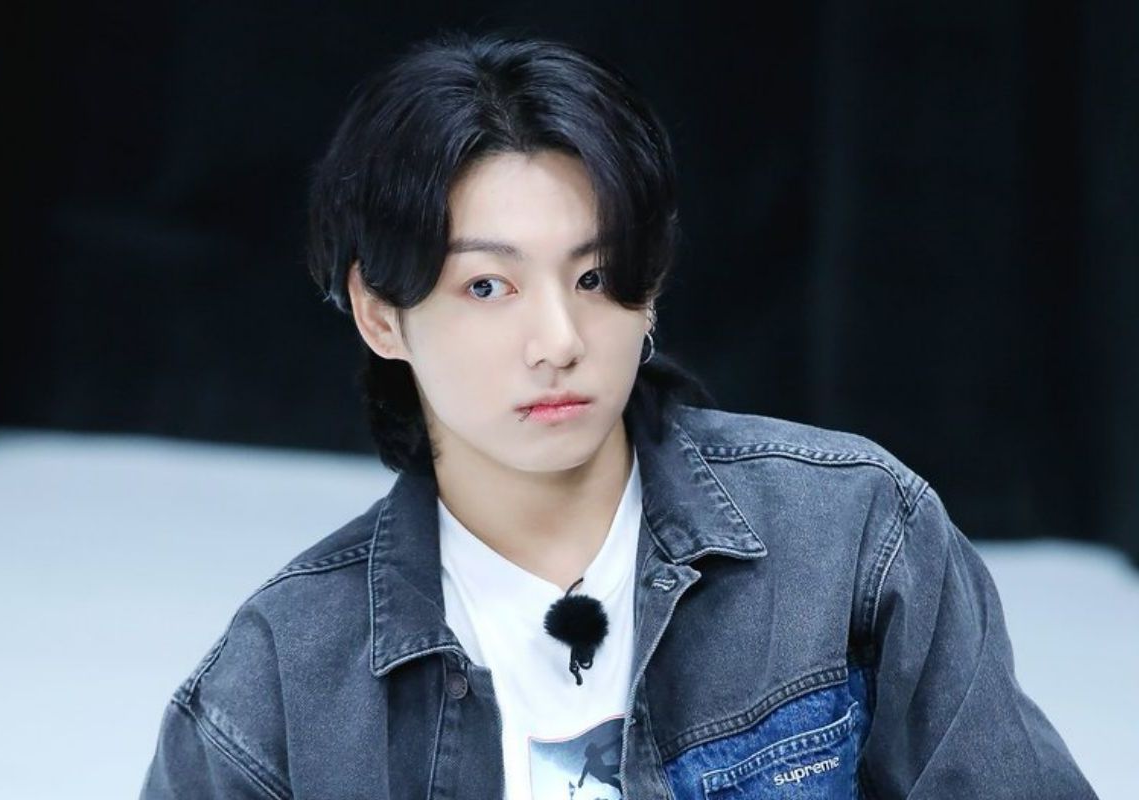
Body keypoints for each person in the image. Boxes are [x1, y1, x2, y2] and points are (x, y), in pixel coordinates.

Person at [139, 29, 1097, 800]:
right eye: (487, 287)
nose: (558, 339)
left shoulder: (853, 538)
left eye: (595, 277)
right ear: (380, 313)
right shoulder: (277, 686)